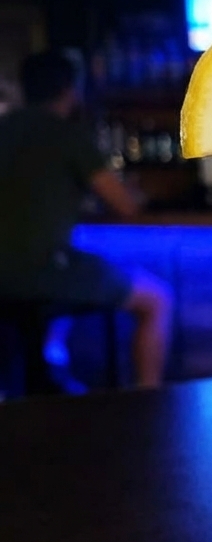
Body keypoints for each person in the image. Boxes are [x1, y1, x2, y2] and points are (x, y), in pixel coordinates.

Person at [0, 51, 171, 388]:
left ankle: (47, 370)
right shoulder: (67, 134)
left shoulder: (4, 128)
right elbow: (124, 206)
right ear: (70, 90)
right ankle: (151, 404)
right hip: (42, 270)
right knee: (157, 299)